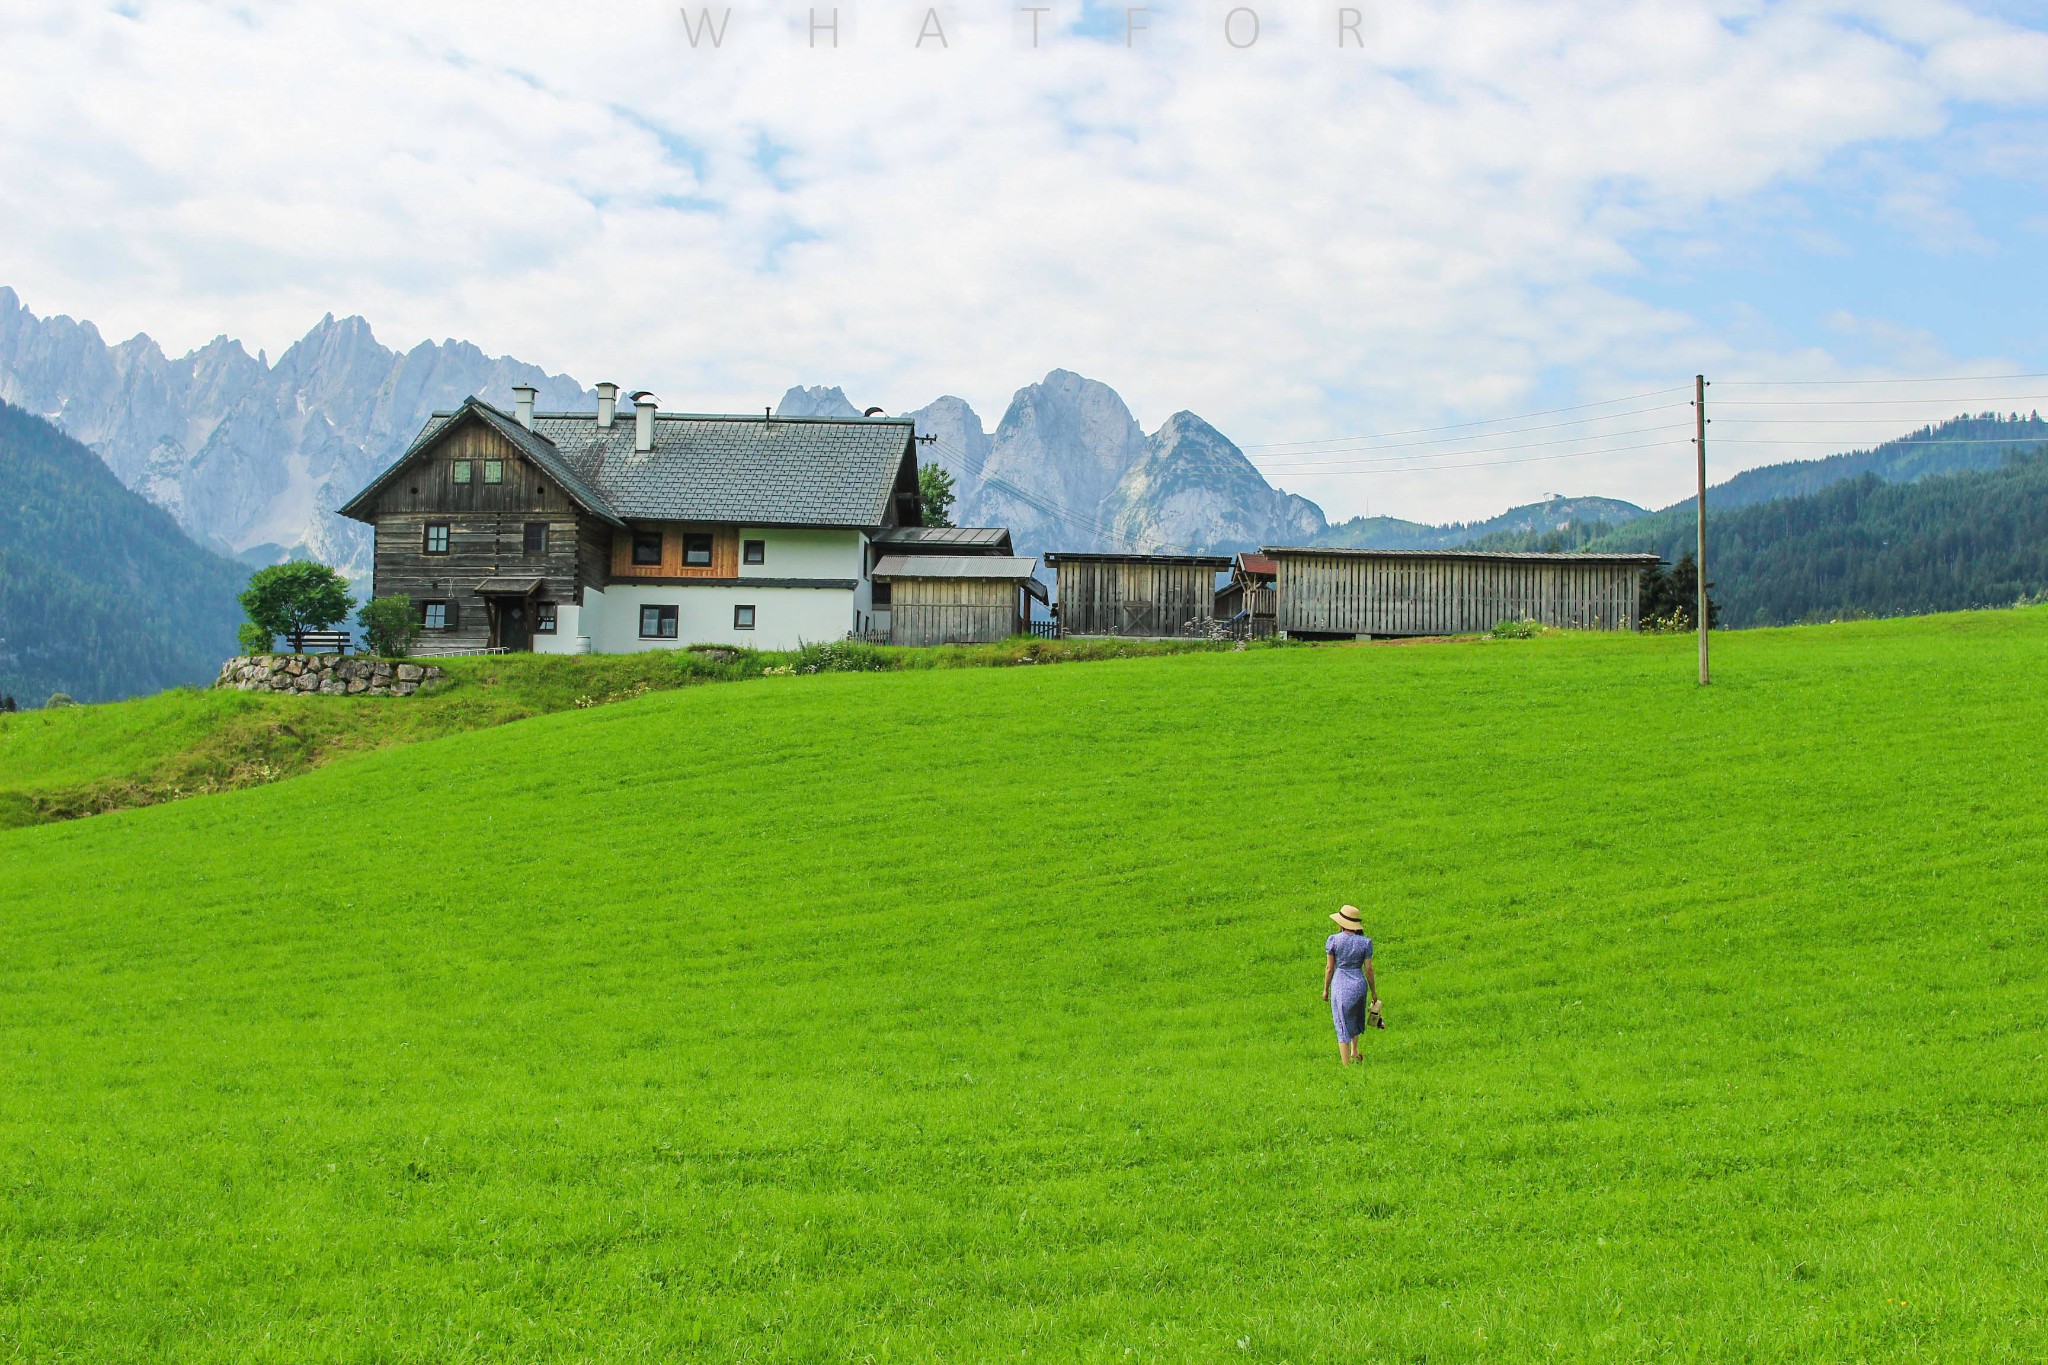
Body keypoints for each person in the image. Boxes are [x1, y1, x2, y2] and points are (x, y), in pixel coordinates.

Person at [1321, 904, 1378, 1065]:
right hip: (1359, 985)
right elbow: (1368, 969)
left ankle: (1345, 1065)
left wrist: (1325, 989)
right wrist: (1373, 992)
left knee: (1341, 1023)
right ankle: (1354, 1051)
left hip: (1340, 984)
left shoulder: (1334, 940)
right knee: (1354, 1017)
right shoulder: (1365, 942)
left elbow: (1329, 968)